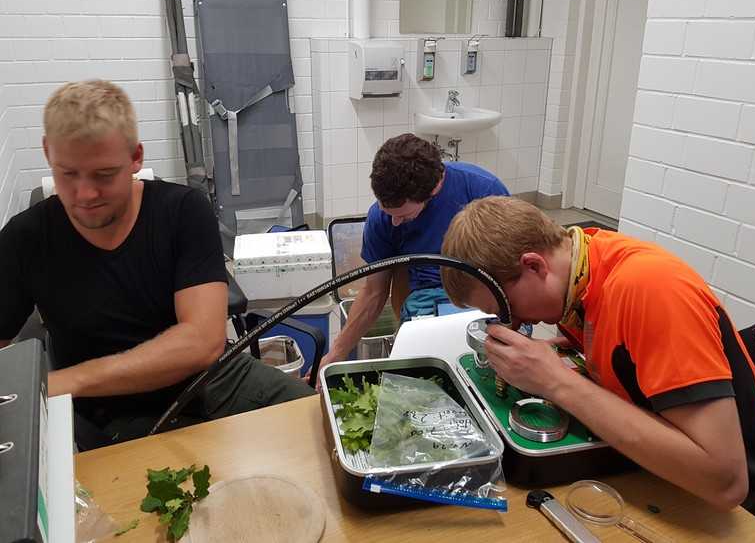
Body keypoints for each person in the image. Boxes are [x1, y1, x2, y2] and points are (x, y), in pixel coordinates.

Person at [440, 196, 755, 538]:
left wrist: (556, 382)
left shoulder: (651, 289)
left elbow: (726, 482)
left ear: (534, 265)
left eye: (508, 310)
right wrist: (560, 353)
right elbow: (624, 357)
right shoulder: (582, 268)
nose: (512, 325)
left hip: (738, 520)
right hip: (652, 478)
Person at [0, 80, 314, 448]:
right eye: (67, 173)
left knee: (321, 426)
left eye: (104, 175)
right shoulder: (26, 238)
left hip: (211, 380)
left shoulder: (181, 211)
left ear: (136, 157)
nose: (85, 195)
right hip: (111, 415)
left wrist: (70, 380)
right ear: (47, 152)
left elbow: (202, 341)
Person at [318, 133, 509, 373]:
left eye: (403, 215)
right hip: (423, 310)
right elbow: (374, 293)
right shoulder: (381, 218)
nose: (395, 222)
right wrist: (337, 352)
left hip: (484, 303)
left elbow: (514, 276)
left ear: (435, 188)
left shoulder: (483, 191)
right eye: (388, 212)